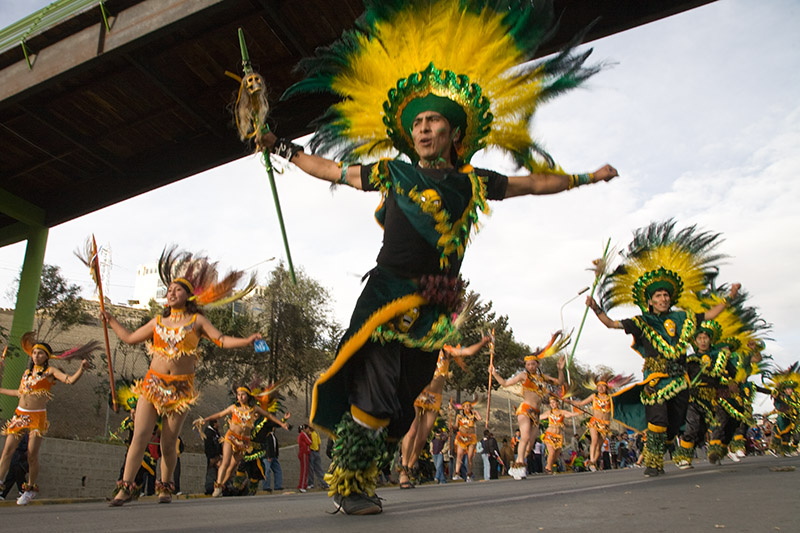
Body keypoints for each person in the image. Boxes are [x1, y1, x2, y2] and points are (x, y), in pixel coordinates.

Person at [256, 0, 616, 515]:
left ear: (452, 133)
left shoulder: (473, 183)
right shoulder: (392, 174)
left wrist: (585, 178)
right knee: (377, 390)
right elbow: (332, 170)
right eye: (419, 122)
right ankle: (351, 486)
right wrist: (282, 148)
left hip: (435, 309)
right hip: (388, 294)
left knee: (405, 398)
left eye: (435, 122)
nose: (425, 129)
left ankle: (355, 462)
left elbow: (533, 183)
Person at [103, 246, 261, 505]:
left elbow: (220, 340)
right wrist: (111, 319)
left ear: (188, 296)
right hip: (152, 385)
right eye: (169, 290)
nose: (171, 293)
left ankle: (165, 487)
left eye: (177, 290)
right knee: (139, 437)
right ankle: (125, 488)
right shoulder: (157, 321)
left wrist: (246, 340)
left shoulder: (197, 320)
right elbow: (130, 338)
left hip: (180, 391)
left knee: (168, 442)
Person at [587, 220, 739, 477]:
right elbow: (611, 324)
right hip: (656, 379)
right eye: (658, 296)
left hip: (680, 379)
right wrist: (595, 308)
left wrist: (728, 299)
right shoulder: (642, 321)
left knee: (674, 422)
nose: (663, 298)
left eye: (666, 295)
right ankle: (653, 462)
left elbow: (709, 316)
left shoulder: (683, 318)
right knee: (657, 420)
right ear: (650, 300)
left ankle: (665, 447)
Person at [0, 332, 94, 505]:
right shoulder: (27, 373)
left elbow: (69, 380)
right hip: (20, 415)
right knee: (7, 452)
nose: (37, 356)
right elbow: (19, 393)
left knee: (31, 455)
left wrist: (81, 369)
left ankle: (30, 489)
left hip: (37, 418)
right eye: (35, 352)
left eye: (41, 353)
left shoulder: (50, 372)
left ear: (47, 356)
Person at [398, 336, 490, 488]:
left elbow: (466, 351)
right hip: (418, 392)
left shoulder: (446, 351)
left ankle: (409, 468)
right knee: (412, 430)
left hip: (434, 399)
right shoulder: (420, 347)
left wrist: (483, 342)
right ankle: (403, 471)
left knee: (422, 438)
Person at [490, 332, 568, 479]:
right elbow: (505, 383)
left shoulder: (543, 378)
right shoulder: (523, 376)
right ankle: (519, 463)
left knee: (530, 444)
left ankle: (518, 464)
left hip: (536, 413)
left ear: (537, 364)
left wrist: (560, 369)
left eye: (533, 363)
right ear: (525, 365)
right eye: (528, 364)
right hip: (525, 409)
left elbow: (560, 383)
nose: (531, 366)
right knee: (524, 436)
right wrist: (494, 374)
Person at [571, 373, 633, 471]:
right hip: (594, 422)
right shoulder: (594, 396)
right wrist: (570, 401)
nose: (600, 388)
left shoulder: (610, 398)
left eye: (603, 386)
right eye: (598, 386)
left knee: (599, 446)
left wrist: (623, 384)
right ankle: (591, 461)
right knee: (594, 441)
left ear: (606, 387)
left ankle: (593, 462)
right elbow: (581, 403)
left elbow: (619, 402)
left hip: (605, 424)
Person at [540, 397, 580, 474]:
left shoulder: (562, 412)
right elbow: (540, 416)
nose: (552, 404)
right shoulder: (549, 412)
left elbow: (570, 414)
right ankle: (548, 468)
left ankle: (550, 465)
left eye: (554, 402)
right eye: (551, 403)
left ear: (557, 403)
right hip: (550, 434)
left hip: (558, 436)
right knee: (551, 453)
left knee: (556, 455)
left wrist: (580, 413)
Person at [203, 418, 222, 495]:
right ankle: (209, 488)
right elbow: (208, 445)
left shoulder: (215, 432)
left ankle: (217, 487)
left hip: (217, 456)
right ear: (214, 423)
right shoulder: (208, 433)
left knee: (217, 472)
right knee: (211, 472)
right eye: (218, 422)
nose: (219, 424)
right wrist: (211, 457)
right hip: (211, 457)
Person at [307, 426, 328, 490]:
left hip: (315, 452)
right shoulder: (308, 434)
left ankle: (324, 482)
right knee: (310, 469)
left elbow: (319, 443)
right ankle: (311, 483)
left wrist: (318, 451)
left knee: (318, 468)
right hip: (311, 451)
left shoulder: (316, 433)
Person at [297, 424, 312, 493]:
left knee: (305, 469)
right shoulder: (303, 434)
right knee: (304, 470)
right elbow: (309, 441)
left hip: (303, 452)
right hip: (304, 453)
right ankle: (302, 485)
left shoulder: (301, 435)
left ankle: (303, 484)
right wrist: (309, 435)